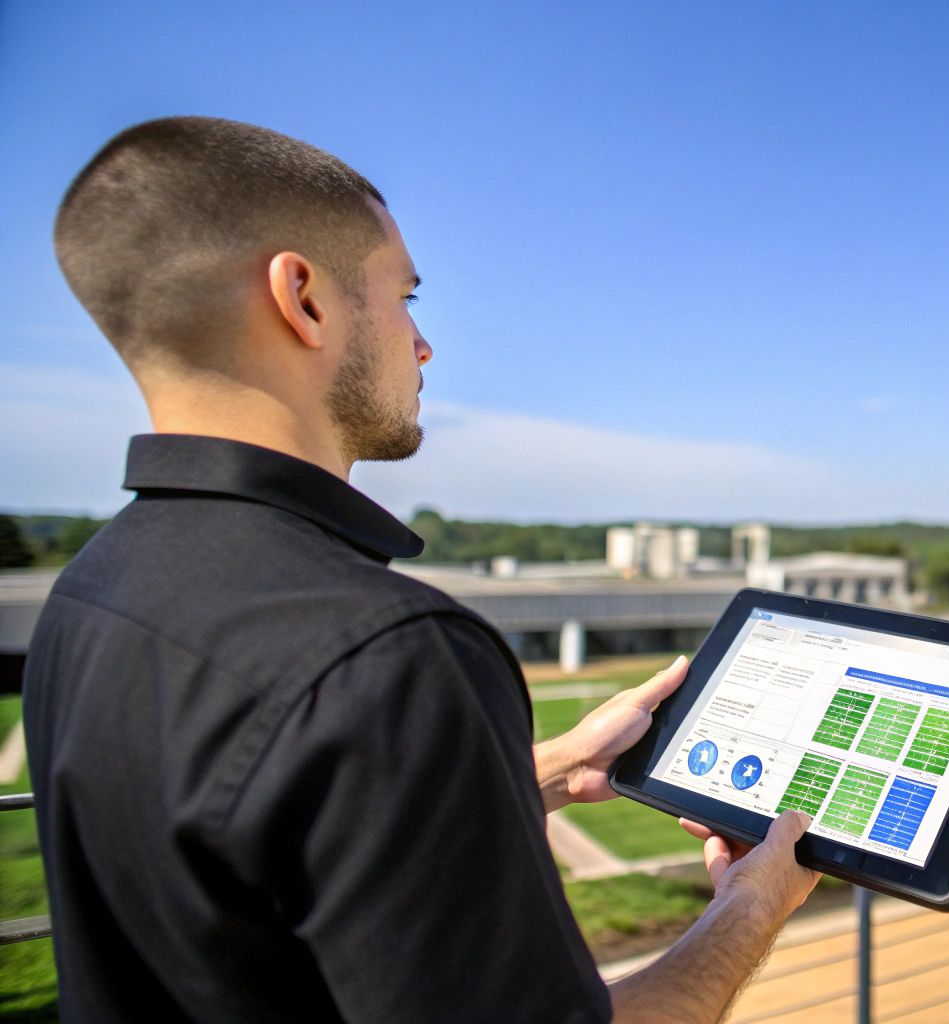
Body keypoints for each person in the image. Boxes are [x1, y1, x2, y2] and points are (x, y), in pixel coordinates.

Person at [24, 115, 820, 1023]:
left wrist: (557, 768)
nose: (424, 343)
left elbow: (257, 856)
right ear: (304, 298)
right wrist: (754, 905)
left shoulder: (95, 585)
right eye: (405, 297)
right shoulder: (388, 655)